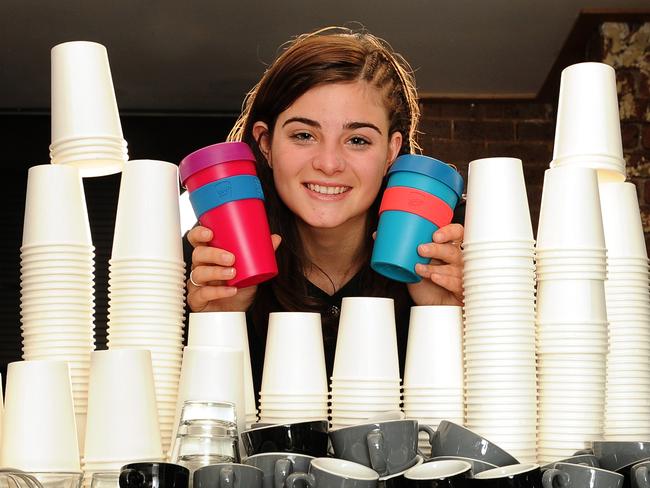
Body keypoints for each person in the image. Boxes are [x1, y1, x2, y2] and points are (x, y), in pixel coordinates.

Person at [184, 26, 464, 392]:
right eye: (304, 135)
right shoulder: (208, 266)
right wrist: (219, 323)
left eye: (358, 140)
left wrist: (446, 317)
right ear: (266, 144)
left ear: (391, 152)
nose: (329, 163)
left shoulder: (446, 256)